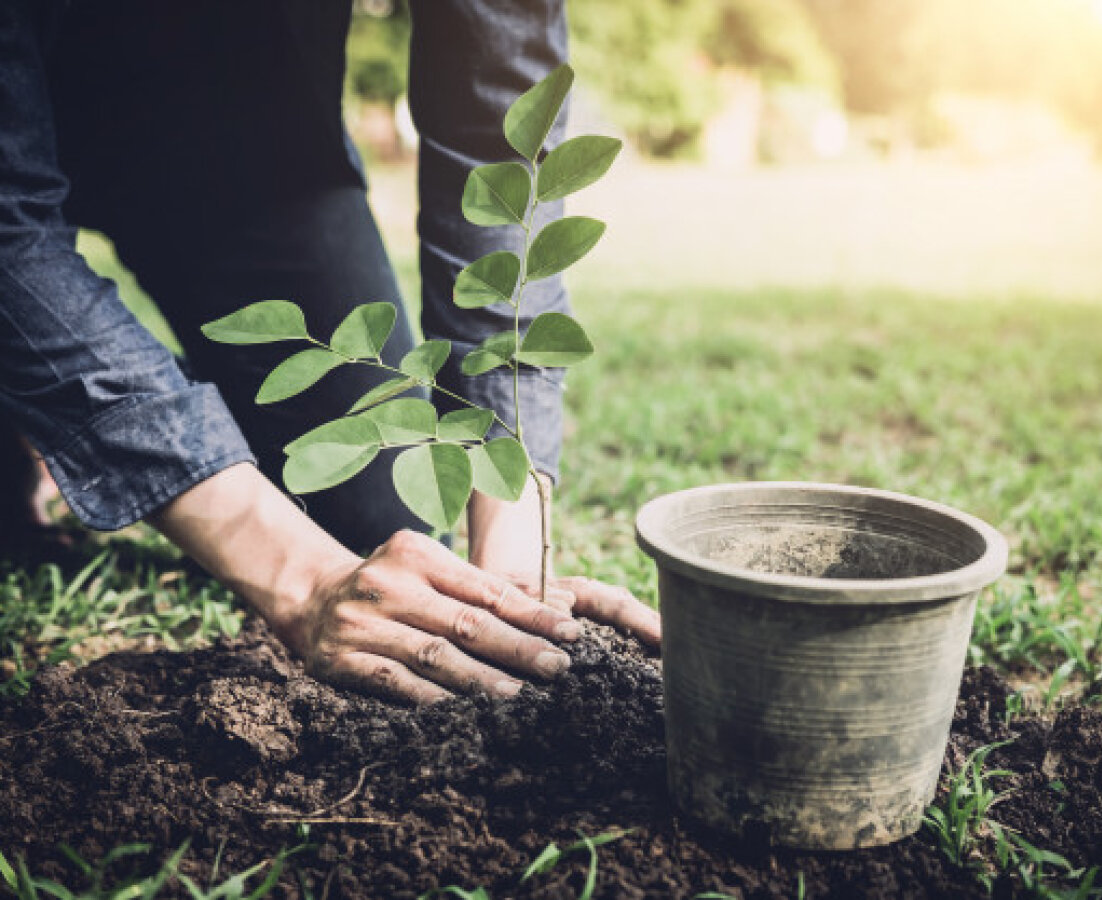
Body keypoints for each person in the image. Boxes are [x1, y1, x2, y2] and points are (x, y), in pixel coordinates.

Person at [0, 0, 660, 703]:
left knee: (378, 518)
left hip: (242, 135)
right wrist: (304, 580)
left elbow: (494, 108)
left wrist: (511, 559)